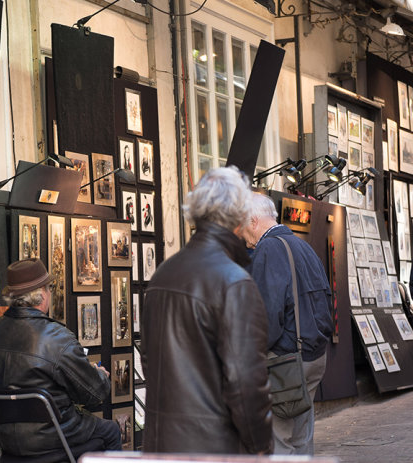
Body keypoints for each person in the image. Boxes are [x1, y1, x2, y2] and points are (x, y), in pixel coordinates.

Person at [140, 166, 273, 454]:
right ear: (239, 219)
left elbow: (150, 365)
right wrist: (261, 448)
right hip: (215, 447)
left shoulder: (162, 275)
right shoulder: (234, 282)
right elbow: (245, 383)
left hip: (163, 445)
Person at [0, 258, 121, 456]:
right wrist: (98, 374)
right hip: (56, 441)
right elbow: (95, 394)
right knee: (111, 431)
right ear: (41, 294)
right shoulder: (57, 337)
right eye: (49, 289)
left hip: (10, 447)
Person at [241, 191, 333, 455]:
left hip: (287, 362)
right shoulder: (301, 245)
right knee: (302, 436)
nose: (244, 237)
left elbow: (265, 316)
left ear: (253, 220)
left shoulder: (268, 249)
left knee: (279, 441)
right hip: (312, 356)